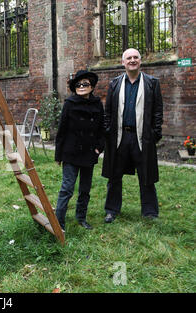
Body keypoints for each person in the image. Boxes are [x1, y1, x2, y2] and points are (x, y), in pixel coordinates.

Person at [102, 48, 163, 223]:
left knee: (146, 175)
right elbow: (108, 112)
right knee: (115, 175)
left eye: (136, 57)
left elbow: (158, 110)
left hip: (142, 137)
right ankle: (111, 210)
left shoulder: (152, 83)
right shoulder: (115, 83)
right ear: (123, 62)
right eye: (129, 58)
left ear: (140, 61)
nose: (132, 60)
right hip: (120, 137)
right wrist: (108, 133)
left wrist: (155, 134)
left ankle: (150, 212)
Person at [55, 70, 105, 230]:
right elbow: (61, 129)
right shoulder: (70, 103)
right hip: (71, 153)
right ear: (74, 87)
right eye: (78, 84)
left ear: (91, 86)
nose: (82, 86)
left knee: (85, 189)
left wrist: (99, 147)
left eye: (85, 84)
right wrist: (58, 155)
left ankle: (81, 217)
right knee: (67, 188)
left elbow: (101, 128)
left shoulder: (97, 104)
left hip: (89, 153)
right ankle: (59, 222)